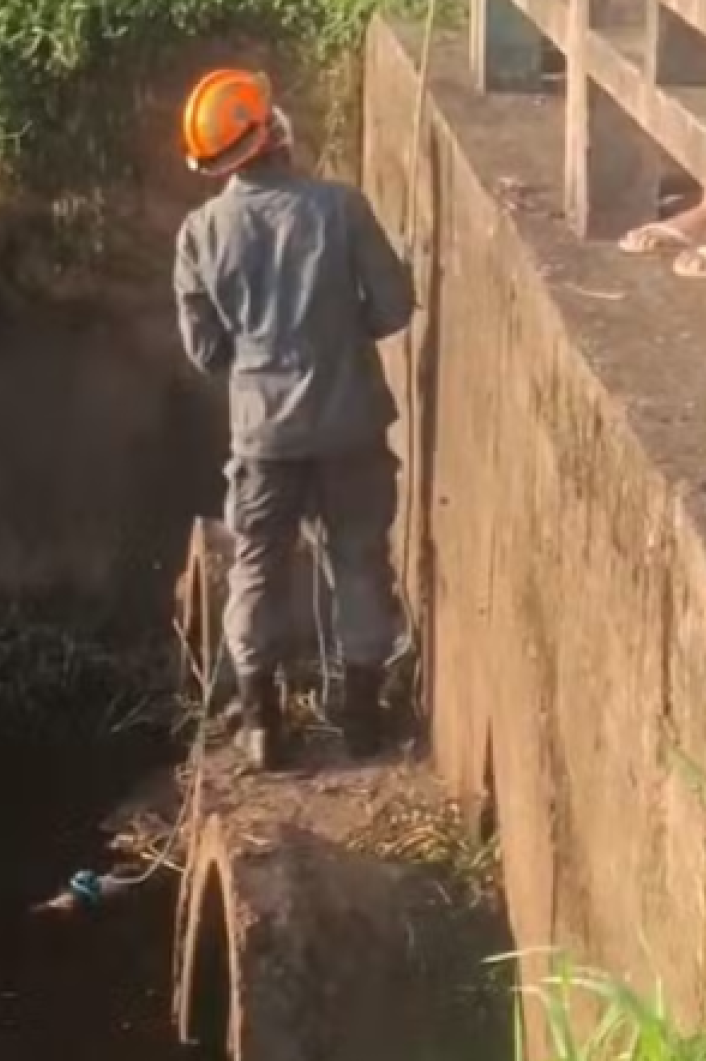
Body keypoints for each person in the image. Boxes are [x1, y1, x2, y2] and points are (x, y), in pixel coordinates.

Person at [171, 69, 416, 770]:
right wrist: (341, 334)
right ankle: (361, 721)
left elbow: (206, 350)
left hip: (262, 438)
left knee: (255, 568)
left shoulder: (200, 232)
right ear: (273, 132)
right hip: (350, 428)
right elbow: (394, 308)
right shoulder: (341, 208)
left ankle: (260, 725)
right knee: (360, 563)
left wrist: (260, 362)